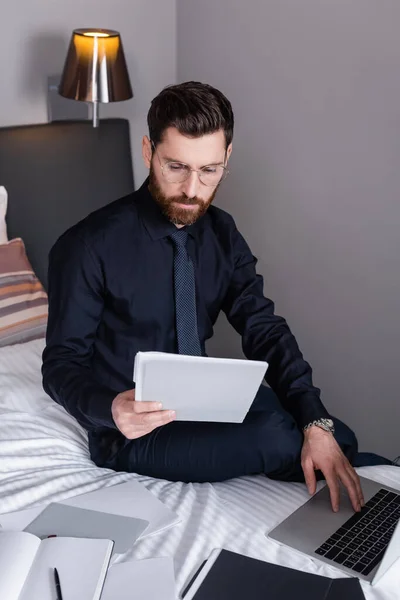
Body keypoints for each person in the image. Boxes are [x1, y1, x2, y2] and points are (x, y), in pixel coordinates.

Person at [42, 81, 391, 514]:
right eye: (176, 167)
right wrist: (110, 409)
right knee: (279, 436)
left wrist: (315, 421)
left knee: (331, 432)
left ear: (227, 158)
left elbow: (264, 328)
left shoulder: (222, 233)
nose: (192, 189)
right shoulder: (86, 246)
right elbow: (60, 364)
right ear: (148, 151)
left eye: (209, 171)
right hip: (131, 432)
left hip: (206, 403)